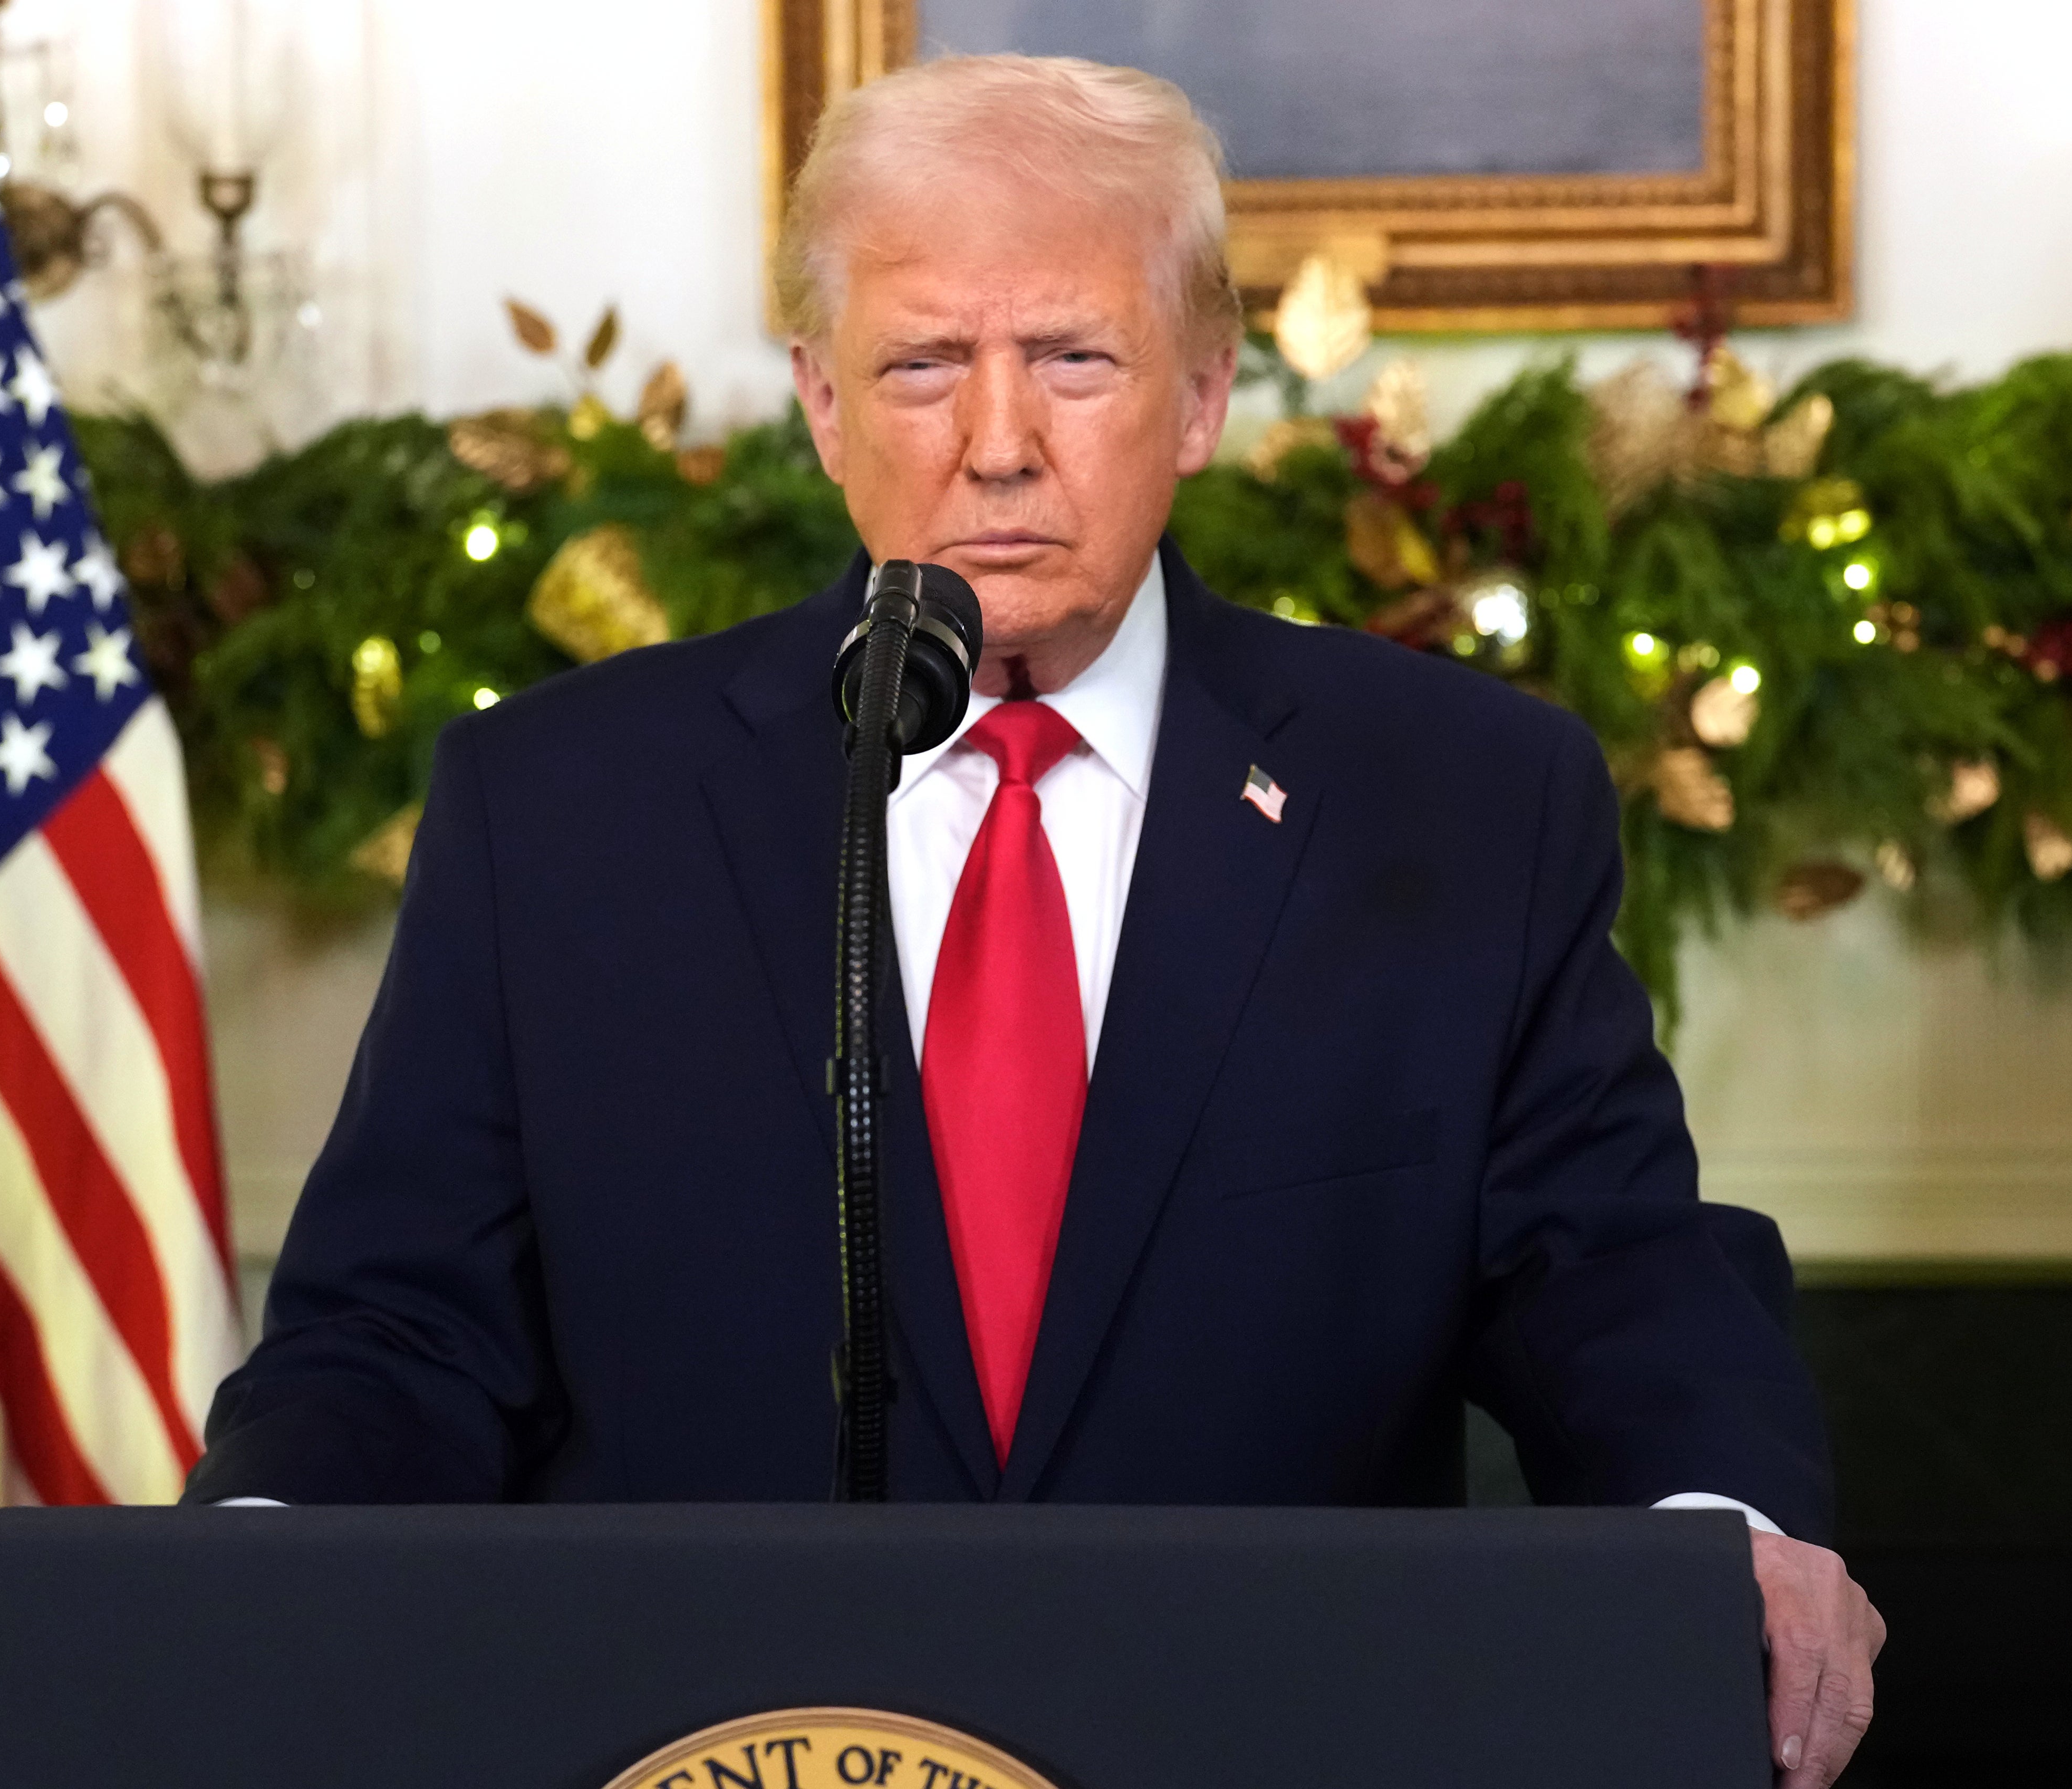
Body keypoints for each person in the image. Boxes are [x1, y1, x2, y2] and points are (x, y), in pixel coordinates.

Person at [188, 53, 1883, 1787]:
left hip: (1270, 1738)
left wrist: (1722, 1526)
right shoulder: (560, 808)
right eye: (922, 365)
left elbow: (1604, 1268)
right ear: (825, 407)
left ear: (1206, 394)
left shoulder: (1457, 798)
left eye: (1073, 359)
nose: (996, 443)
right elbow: (403, 1328)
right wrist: (250, 1556)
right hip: (703, 1737)